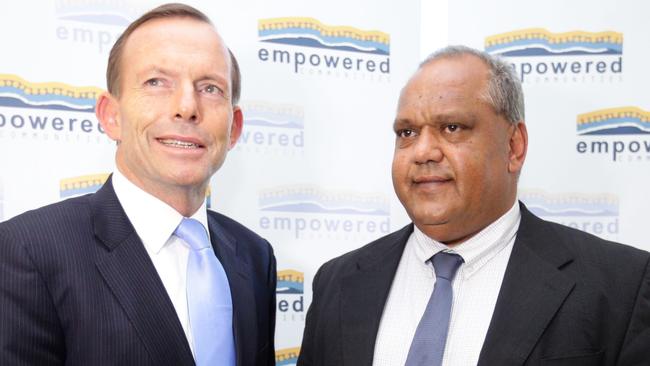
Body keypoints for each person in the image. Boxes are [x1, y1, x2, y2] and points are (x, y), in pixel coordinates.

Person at [298, 46, 650, 366]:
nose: (422, 152)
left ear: (514, 147)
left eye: (452, 127)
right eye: (407, 133)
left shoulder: (621, 285)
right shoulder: (338, 282)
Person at [0, 4, 276, 366]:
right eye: (156, 82)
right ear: (110, 115)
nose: (187, 107)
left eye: (210, 88)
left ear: (234, 127)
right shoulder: (28, 251)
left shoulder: (255, 257)